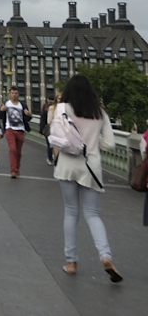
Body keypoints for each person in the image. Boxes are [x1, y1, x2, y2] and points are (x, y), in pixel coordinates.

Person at [52, 75, 120, 283]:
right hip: (91, 167)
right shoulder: (99, 113)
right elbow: (110, 144)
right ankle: (105, 255)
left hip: (67, 165)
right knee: (93, 214)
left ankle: (71, 262)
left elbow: (55, 136)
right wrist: (91, 144)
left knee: (71, 212)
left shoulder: (63, 109)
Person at [0, 87, 30, 178]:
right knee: (13, 149)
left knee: (18, 152)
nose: (14, 95)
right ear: (9, 94)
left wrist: (29, 115)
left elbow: (27, 118)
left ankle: (17, 167)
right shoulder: (6, 103)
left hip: (20, 129)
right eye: (12, 93)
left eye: (16, 93)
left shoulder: (22, 105)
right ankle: (13, 170)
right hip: (9, 129)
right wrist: (1, 110)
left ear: (18, 94)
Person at [43, 93, 61, 164]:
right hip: (53, 129)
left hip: (62, 130)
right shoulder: (52, 108)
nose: (60, 100)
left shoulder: (65, 108)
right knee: (52, 145)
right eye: (59, 99)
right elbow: (49, 121)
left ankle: (57, 160)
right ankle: (52, 159)